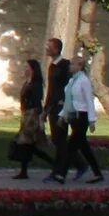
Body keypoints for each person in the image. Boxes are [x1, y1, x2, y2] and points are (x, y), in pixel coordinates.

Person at [52, 55, 106, 183]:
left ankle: (61, 174)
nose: (70, 66)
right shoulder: (72, 81)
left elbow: (89, 100)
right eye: (70, 64)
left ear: (80, 66)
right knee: (84, 147)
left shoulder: (84, 81)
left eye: (73, 64)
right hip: (73, 116)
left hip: (82, 116)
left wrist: (92, 119)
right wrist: (62, 115)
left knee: (71, 146)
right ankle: (98, 174)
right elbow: (68, 101)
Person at [9, 56, 53, 178]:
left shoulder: (36, 84)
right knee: (28, 145)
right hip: (26, 114)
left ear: (33, 69)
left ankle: (53, 164)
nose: (25, 69)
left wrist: (39, 117)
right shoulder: (27, 82)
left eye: (27, 67)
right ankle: (25, 171)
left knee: (25, 143)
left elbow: (37, 101)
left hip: (32, 115)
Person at [43, 36, 74, 165]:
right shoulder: (52, 66)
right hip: (53, 106)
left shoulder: (65, 65)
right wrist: (46, 109)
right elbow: (51, 89)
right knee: (56, 138)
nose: (46, 49)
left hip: (61, 106)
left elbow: (69, 86)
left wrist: (65, 102)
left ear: (56, 49)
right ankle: (70, 164)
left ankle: (61, 167)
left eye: (49, 47)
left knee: (60, 138)